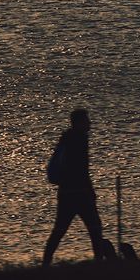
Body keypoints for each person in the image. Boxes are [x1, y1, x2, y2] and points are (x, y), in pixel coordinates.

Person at [42, 107, 104, 265]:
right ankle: (99, 263)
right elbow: (81, 169)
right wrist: (90, 190)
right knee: (95, 227)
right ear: (79, 123)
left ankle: (46, 262)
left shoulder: (66, 138)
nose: (89, 124)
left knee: (60, 229)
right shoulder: (79, 140)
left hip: (66, 192)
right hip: (79, 192)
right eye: (86, 121)